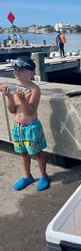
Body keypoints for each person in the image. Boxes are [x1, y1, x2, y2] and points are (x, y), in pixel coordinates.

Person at [0, 56, 50, 191]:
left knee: (38, 153)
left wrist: (22, 99)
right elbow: (12, 110)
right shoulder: (15, 88)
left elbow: (30, 110)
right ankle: (26, 176)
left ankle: (43, 176)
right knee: (22, 153)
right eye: (15, 69)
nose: (16, 72)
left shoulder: (34, 89)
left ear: (31, 73)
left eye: (21, 70)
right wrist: (9, 96)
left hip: (31, 127)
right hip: (17, 127)